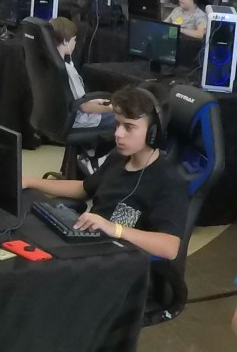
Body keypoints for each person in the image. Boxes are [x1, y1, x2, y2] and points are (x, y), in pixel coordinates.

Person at [22, 86, 187, 260]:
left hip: (122, 262)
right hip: (93, 247)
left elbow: (169, 247)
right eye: (117, 124)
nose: (118, 134)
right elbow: (83, 188)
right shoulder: (118, 158)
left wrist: (115, 229)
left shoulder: (170, 181)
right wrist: (30, 182)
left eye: (129, 127)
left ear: (153, 133)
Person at [49, 17, 116, 129]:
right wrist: (111, 109)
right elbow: (84, 107)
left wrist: (95, 101)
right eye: (74, 40)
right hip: (77, 121)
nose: (75, 43)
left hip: (55, 120)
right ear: (65, 42)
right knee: (123, 117)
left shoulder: (43, 64)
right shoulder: (66, 70)